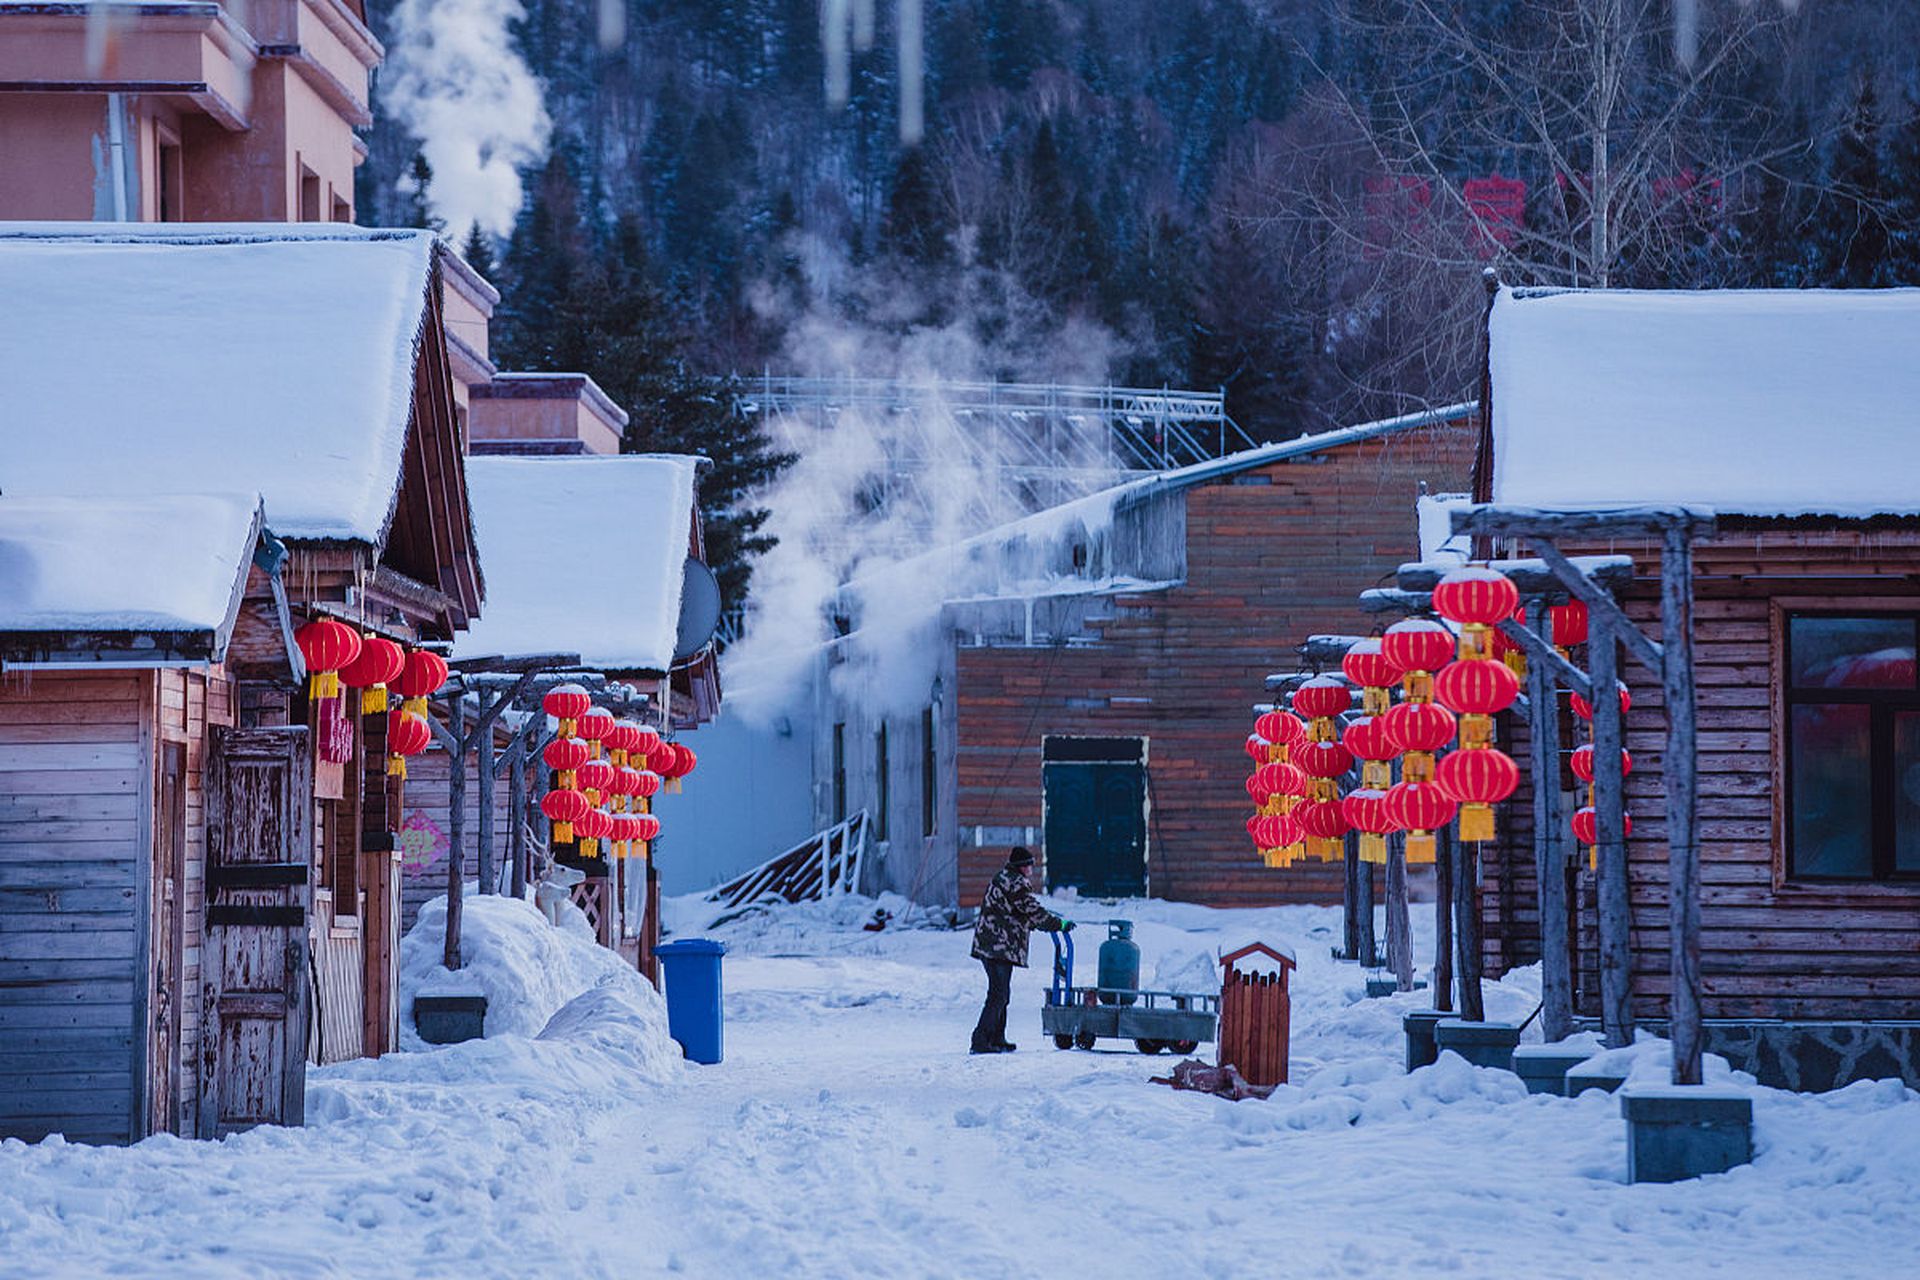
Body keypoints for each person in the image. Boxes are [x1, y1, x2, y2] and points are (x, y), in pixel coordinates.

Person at [969, 847, 1071, 1054]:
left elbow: (1014, 913)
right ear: (1020, 867)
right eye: (1028, 865)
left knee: (1001, 994)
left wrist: (1034, 924)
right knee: (998, 995)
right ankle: (981, 1039)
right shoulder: (1015, 882)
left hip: (993, 943)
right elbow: (1032, 910)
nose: (1031, 870)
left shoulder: (1004, 877)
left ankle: (996, 1038)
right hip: (997, 945)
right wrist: (1058, 924)